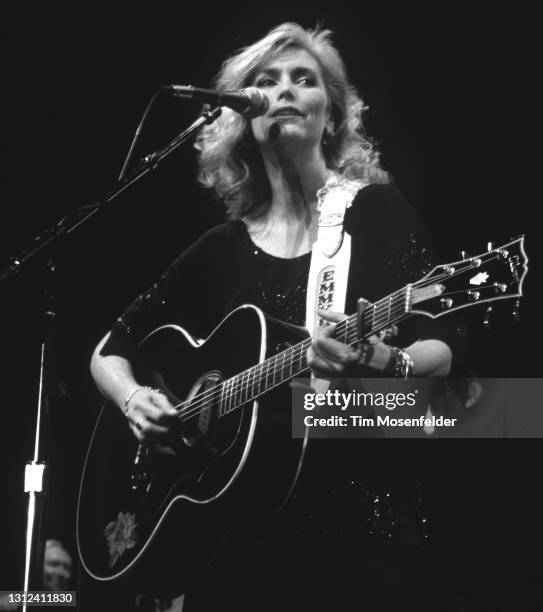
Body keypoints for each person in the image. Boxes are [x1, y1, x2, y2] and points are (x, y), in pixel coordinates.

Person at [90, 23, 461, 611]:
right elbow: (109, 350)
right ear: (242, 116)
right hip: (232, 545)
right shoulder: (221, 246)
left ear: (332, 115)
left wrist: (387, 361)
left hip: (356, 537)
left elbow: (444, 349)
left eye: (303, 79)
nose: (283, 90)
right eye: (265, 82)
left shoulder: (375, 212)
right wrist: (135, 399)